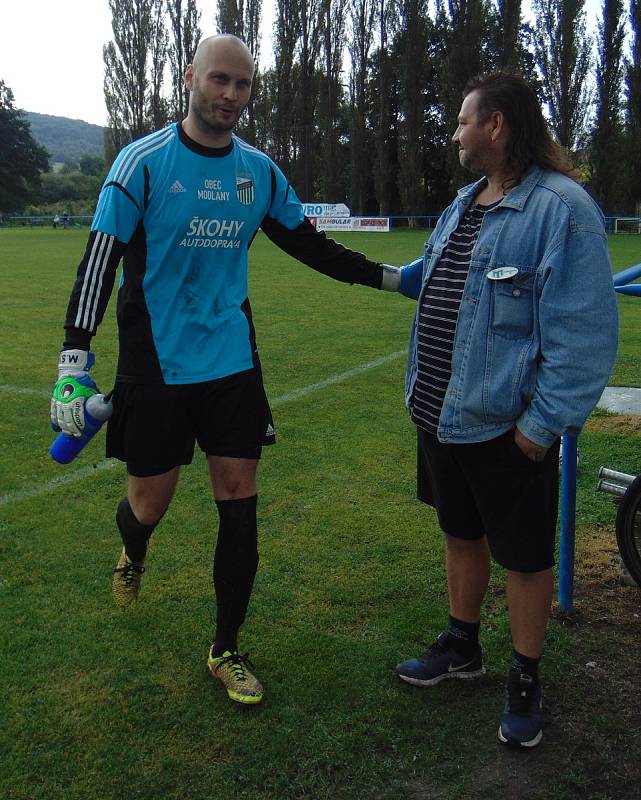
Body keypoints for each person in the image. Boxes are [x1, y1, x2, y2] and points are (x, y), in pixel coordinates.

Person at [50, 34, 400, 706]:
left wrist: (392, 279)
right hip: (155, 364)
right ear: (190, 79)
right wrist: (74, 357)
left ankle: (226, 647)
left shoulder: (258, 171)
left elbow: (309, 245)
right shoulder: (142, 163)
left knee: (238, 501)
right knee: (149, 502)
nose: (231, 96)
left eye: (243, 85)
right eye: (220, 81)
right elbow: (99, 261)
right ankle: (134, 551)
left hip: (231, 361)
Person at [393, 73, 618, 748]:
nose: (455, 133)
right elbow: (430, 284)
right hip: (438, 415)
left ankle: (524, 674)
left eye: (463, 121)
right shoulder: (463, 203)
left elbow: (583, 337)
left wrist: (538, 429)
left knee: (523, 557)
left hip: (505, 427)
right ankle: (463, 645)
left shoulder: (562, 210)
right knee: (460, 534)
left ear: (495, 126)